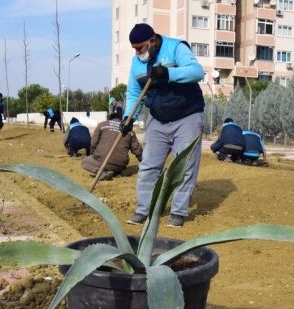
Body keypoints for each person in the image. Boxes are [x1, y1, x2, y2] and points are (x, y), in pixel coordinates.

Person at [122, 23, 205, 228]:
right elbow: (134, 93)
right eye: (134, 48)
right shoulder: (137, 63)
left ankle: (178, 211)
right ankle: (145, 209)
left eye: (140, 47)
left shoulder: (175, 48)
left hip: (187, 116)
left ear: (152, 40)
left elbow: (197, 72)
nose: (137, 52)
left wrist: (169, 74)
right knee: (148, 165)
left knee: (184, 165)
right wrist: (128, 117)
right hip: (158, 119)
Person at [82, 112, 142, 180]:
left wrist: (93, 155)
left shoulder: (102, 125)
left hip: (101, 162)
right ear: (121, 119)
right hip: (120, 164)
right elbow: (137, 149)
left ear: (109, 119)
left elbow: (93, 143)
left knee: (84, 162)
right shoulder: (129, 131)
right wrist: (144, 161)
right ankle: (119, 173)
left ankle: (100, 172)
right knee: (132, 168)